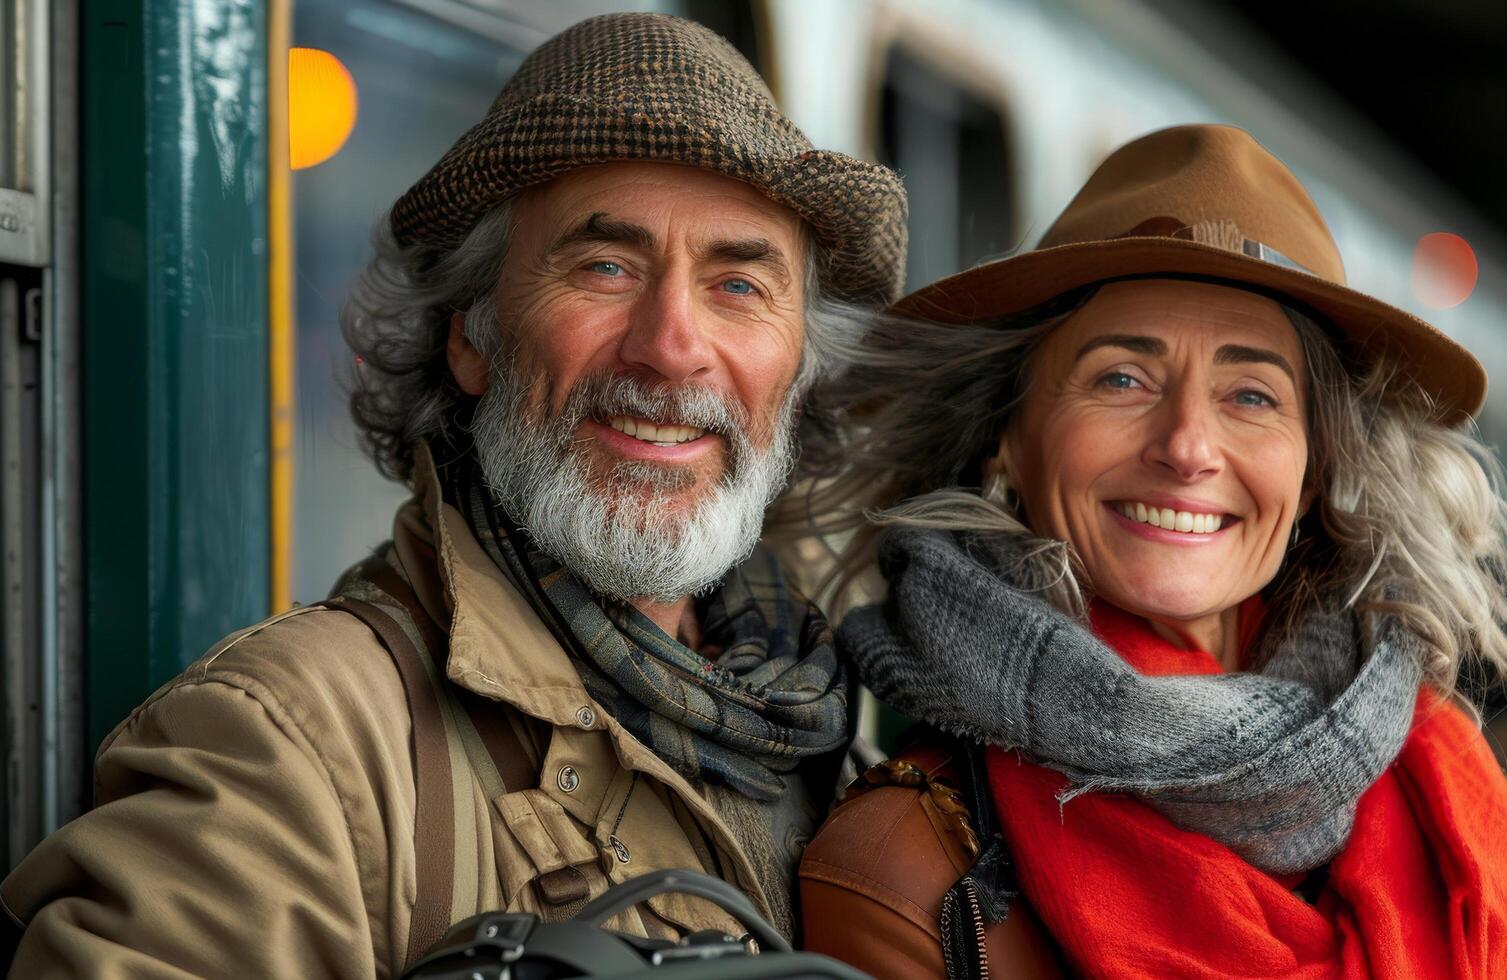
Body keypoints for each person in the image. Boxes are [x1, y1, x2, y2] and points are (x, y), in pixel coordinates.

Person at [1, 14, 904, 977]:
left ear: (798, 373)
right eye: (606, 267)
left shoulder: (817, 718)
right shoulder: (295, 748)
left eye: (738, 284)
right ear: (471, 335)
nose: (671, 345)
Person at [796, 125, 1507, 978]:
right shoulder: (906, 873)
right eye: (1121, 378)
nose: (1187, 446)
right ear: (1008, 439)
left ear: (1318, 469)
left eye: (1251, 395)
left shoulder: (1453, 803)